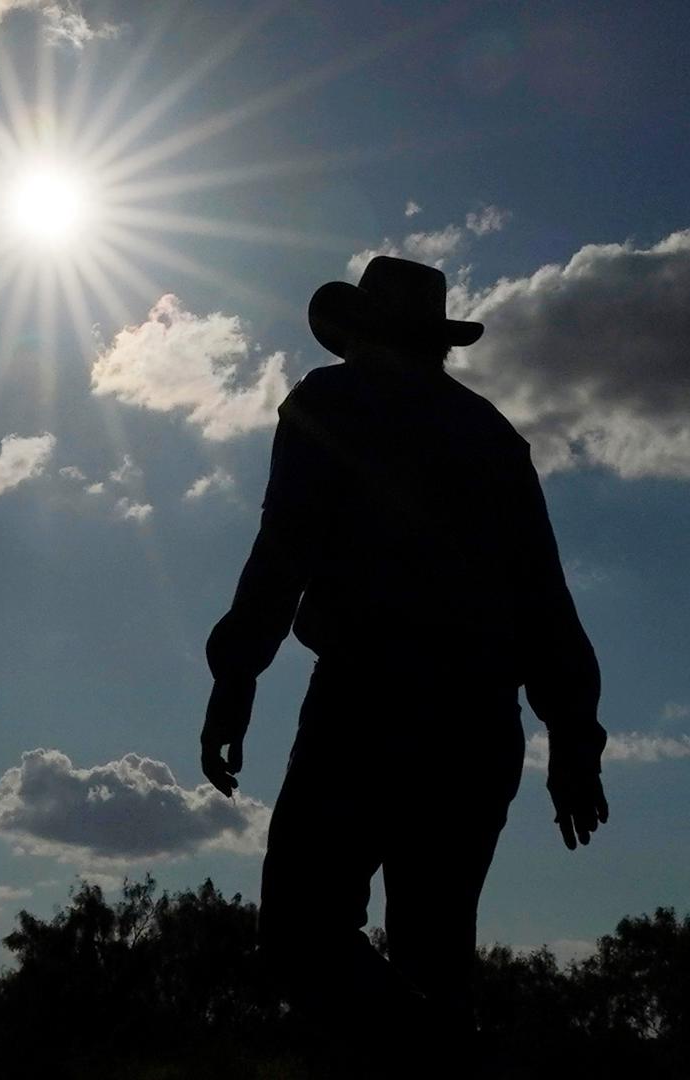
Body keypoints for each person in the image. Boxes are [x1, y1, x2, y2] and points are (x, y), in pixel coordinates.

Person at [199, 255, 609, 1068]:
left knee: (301, 941)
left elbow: (283, 551)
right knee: (435, 958)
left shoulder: (333, 402)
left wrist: (237, 675)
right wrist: (573, 737)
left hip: (370, 705)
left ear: (360, 333)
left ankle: (451, 1056)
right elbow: (545, 598)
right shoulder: (494, 436)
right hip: (481, 725)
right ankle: (448, 1045)